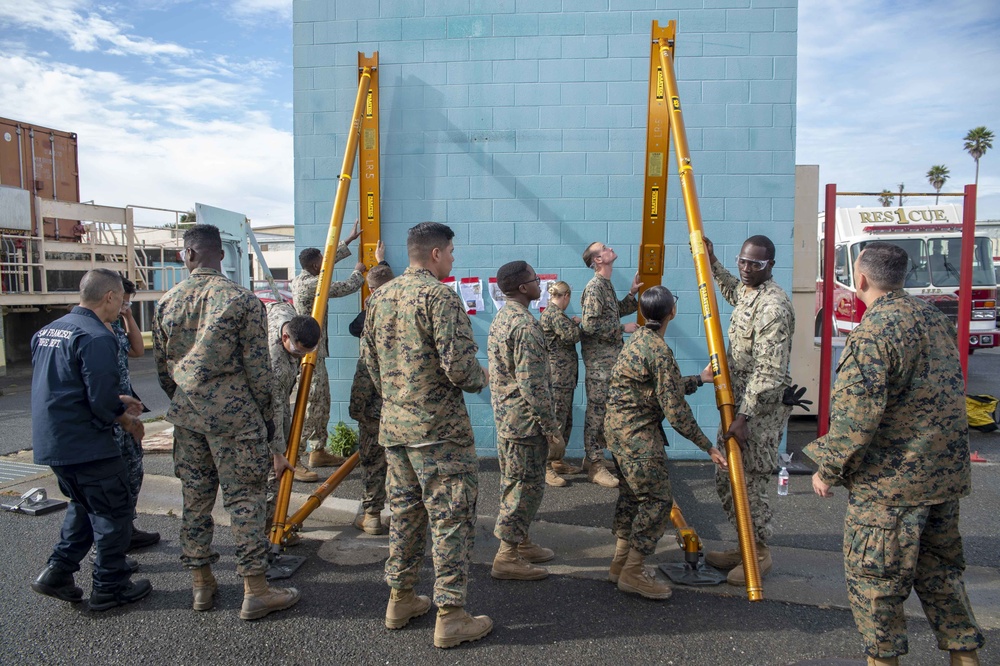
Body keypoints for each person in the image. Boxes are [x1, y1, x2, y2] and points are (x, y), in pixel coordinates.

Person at [804, 242, 984, 666]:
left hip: (891, 490)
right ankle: (966, 658)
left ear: (860, 280)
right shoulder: (934, 319)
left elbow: (855, 419)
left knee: (876, 588)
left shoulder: (872, 333)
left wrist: (827, 470)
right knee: (943, 578)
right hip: (942, 482)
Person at [154, 224, 300, 620]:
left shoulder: (168, 301)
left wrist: (187, 401)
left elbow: (164, 370)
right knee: (246, 500)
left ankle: (202, 584)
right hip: (236, 419)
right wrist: (269, 425)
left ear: (187, 254)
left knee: (195, 501)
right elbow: (259, 371)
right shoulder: (243, 301)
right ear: (223, 255)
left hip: (188, 418)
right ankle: (255, 589)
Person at [362, 221, 493, 649]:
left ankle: (400, 599)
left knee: (405, 515)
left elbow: (370, 364)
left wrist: (397, 400)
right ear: (435, 254)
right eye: (451, 251)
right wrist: (482, 376)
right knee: (450, 518)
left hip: (396, 430)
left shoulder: (379, 296)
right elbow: (460, 369)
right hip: (439, 433)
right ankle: (451, 614)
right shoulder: (440, 296)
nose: (453, 258)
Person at [30, 268, 152, 611]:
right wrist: (127, 420)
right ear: (109, 297)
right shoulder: (98, 336)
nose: (122, 308)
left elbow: (67, 385)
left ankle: (58, 571)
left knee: (85, 506)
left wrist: (118, 401)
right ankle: (109, 586)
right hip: (88, 444)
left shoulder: (48, 331)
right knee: (113, 511)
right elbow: (100, 400)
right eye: (121, 302)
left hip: (55, 441)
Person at [605, 286, 726, 600]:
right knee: (657, 502)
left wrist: (699, 380)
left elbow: (660, 388)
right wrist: (707, 446)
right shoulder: (658, 350)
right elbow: (674, 409)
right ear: (671, 312)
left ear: (644, 314)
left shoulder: (639, 342)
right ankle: (633, 571)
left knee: (632, 497)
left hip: (618, 432)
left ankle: (620, 564)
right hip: (636, 437)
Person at [702, 234, 794, 586]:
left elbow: (770, 371)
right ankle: (744, 543)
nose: (745, 268)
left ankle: (758, 553)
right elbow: (731, 290)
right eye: (742, 261)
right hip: (737, 401)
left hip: (757, 412)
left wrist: (744, 418)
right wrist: (711, 261)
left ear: (770, 265)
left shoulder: (774, 307)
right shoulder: (749, 290)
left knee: (749, 479)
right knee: (727, 477)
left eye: (754, 264)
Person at [487, 261, 565, 582]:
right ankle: (506, 555)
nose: (540, 284)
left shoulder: (503, 318)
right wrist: (552, 430)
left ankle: (520, 540)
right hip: (525, 423)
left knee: (515, 482)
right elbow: (533, 386)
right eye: (535, 279)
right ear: (523, 288)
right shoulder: (525, 326)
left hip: (508, 419)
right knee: (523, 488)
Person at [291, 219, 366, 480]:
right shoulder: (311, 284)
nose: (325, 263)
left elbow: (326, 265)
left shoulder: (306, 276)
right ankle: (296, 458)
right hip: (308, 355)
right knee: (311, 404)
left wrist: (347, 242)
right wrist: (359, 272)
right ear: (314, 266)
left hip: (316, 353)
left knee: (322, 401)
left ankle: (318, 451)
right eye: (321, 261)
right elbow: (342, 287)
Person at [579, 241, 643, 488]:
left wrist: (632, 295)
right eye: (604, 248)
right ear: (598, 260)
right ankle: (595, 465)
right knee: (597, 414)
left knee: (605, 412)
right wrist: (622, 328)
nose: (609, 248)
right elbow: (590, 326)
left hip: (609, 363)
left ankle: (592, 459)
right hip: (599, 367)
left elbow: (612, 312)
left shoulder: (605, 285)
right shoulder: (595, 288)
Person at [109, 277, 159, 551]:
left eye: (129, 302)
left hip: (125, 410)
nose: (124, 305)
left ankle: (127, 528)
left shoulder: (117, 325)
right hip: (109, 413)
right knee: (112, 478)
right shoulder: (96, 327)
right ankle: (111, 544)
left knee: (133, 469)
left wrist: (128, 316)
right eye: (123, 300)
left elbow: (138, 350)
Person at [264, 301, 321, 538]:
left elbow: (276, 306)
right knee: (273, 472)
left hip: (276, 404)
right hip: (263, 411)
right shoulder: (277, 365)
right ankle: (269, 527)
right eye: (298, 352)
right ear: (285, 336)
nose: (302, 357)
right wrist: (278, 454)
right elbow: (273, 413)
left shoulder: (288, 316)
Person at [348, 247, 393, 536]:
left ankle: (373, 515)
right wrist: (381, 263)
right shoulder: (413, 309)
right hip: (408, 407)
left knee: (373, 461)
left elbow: (365, 373)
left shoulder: (370, 317)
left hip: (376, 408)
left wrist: (357, 409)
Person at [539, 280, 582, 487]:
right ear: (565, 297)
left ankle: (557, 462)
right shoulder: (554, 314)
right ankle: (546, 467)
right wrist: (576, 324)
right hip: (557, 379)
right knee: (556, 423)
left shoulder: (557, 315)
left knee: (565, 421)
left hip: (565, 379)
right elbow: (572, 335)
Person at [348, 239, 389, 338]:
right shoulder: (402, 298)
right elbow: (387, 279)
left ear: (371, 290)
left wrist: (367, 310)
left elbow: (354, 329)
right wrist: (381, 260)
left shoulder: (373, 312)